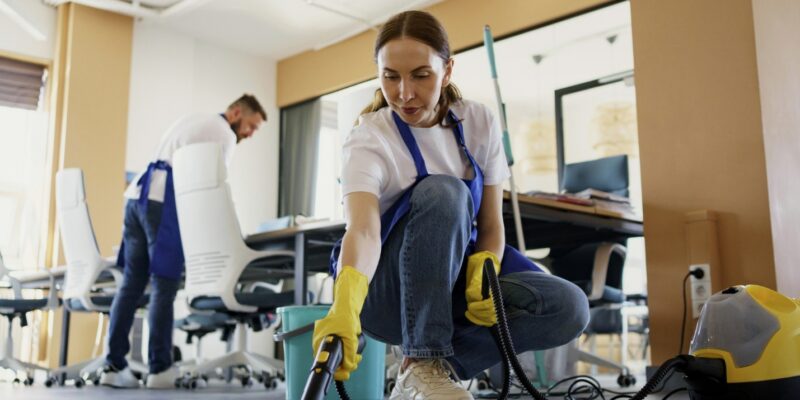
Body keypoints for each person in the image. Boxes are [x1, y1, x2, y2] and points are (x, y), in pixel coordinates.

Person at [312, 11, 590, 400]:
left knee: (569, 307)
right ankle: (423, 359)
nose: (404, 93)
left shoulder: (478, 122)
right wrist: (344, 304)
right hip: (386, 294)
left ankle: (432, 373)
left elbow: (491, 225)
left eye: (420, 75)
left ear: (447, 70)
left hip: (454, 284)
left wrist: (486, 262)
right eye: (390, 76)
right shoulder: (370, 138)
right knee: (445, 190)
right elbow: (363, 229)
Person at [99, 94, 266, 389]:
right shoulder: (224, 134)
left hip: (137, 195)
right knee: (165, 283)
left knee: (132, 283)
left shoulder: (194, 120)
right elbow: (212, 189)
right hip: (163, 199)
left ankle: (113, 366)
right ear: (237, 112)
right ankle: (160, 368)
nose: (250, 134)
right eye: (251, 126)